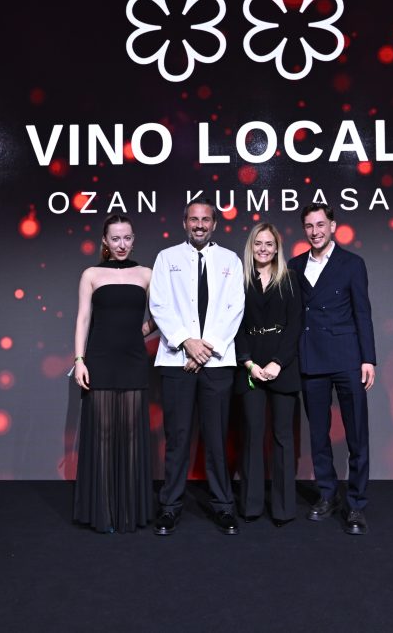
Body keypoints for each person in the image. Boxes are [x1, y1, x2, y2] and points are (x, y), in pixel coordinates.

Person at [149, 197, 244, 535]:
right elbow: (159, 305)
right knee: (177, 438)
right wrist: (186, 342)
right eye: (194, 219)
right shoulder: (166, 258)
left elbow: (235, 307)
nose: (199, 225)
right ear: (184, 223)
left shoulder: (231, 260)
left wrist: (206, 348)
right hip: (177, 361)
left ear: (214, 224)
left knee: (216, 438)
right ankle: (170, 507)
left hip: (217, 363)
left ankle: (223, 506)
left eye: (205, 220)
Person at [288, 203, 377, 535]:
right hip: (311, 358)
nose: (315, 231)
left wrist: (368, 359)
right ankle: (327, 494)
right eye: (310, 226)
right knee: (318, 434)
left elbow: (362, 312)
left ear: (333, 226)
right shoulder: (294, 265)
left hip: (347, 358)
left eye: (321, 224)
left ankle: (356, 504)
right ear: (304, 230)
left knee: (357, 434)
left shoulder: (352, 264)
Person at [71, 215, 154, 533]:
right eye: (115, 238)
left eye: (127, 238)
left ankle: (129, 513)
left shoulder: (146, 274)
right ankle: (104, 513)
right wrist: (80, 360)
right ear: (105, 241)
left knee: (132, 436)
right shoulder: (91, 274)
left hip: (133, 359)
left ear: (134, 240)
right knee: (103, 435)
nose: (122, 244)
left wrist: (139, 332)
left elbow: (162, 315)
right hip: (100, 360)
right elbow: (83, 318)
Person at [234, 223, 302, 527]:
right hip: (250, 366)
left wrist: (278, 362)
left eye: (269, 244)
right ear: (251, 247)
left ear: (277, 249)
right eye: (258, 243)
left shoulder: (290, 279)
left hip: (282, 366)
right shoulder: (239, 280)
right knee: (252, 433)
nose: (263, 249)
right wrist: (248, 363)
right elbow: (234, 325)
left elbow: (295, 325)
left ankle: (284, 508)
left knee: (283, 436)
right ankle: (251, 506)